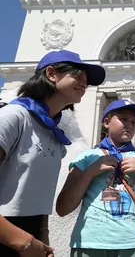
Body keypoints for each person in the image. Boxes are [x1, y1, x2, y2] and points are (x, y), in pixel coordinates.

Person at [0, 50, 105, 257]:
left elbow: (38, 197)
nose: (84, 83)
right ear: (51, 74)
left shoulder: (53, 135)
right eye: (77, 75)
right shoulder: (14, 116)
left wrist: (42, 240)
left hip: (31, 240)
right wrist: (22, 242)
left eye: (87, 80)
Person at [56, 99, 135, 257]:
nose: (129, 125)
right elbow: (63, 208)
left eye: (133, 122)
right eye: (123, 119)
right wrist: (90, 172)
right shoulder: (86, 157)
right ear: (106, 122)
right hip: (90, 243)